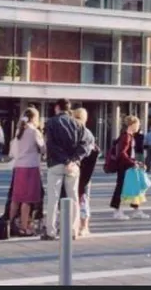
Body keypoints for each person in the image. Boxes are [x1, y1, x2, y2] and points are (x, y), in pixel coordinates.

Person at [42, 98, 90, 241]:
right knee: (73, 197)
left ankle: (50, 231)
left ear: (57, 107)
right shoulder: (77, 124)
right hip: (73, 166)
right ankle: (72, 230)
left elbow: (51, 145)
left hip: (56, 163)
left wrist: (64, 159)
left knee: (53, 198)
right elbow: (85, 145)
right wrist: (74, 159)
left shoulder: (51, 123)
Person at [10, 108, 45, 237]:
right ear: (35, 117)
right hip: (31, 167)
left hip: (19, 166)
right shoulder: (34, 131)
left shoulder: (19, 130)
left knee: (16, 198)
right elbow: (43, 149)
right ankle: (24, 227)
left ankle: (11, 223)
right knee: (27, 199)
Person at [110, 115, 150, 221]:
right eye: (137, 124)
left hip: (127, 165)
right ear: (132, 125)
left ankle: (135, 210)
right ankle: (117, 211)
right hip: (124, 166)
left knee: (134, 187)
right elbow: (122, 153)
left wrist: (135, 162)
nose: (138, 126)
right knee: (121, 188)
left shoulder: (129, 136)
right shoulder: (126, 136)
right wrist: (132, 163)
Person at [72, 108, 98, 238]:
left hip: (77, 169)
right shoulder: (86, 133)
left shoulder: (76, 132)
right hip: (84, 170)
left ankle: (80, 225)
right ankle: (82, 225)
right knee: (83, 197)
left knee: (78, 197)